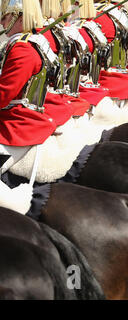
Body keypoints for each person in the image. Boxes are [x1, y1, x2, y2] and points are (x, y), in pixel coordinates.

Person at [0, 0, 62, 214]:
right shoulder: (31, 41)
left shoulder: (23, 49)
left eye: (5, 17)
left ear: (18, 18)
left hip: (18, 122)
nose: (2, 21)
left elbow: (4, 93)